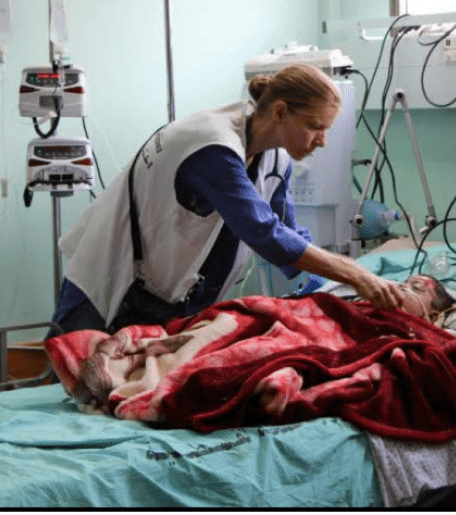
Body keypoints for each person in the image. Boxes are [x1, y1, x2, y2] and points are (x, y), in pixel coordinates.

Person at [48, 64, 405, 337]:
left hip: (165, 295)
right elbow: (264, 233)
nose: (322, 140)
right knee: (71, 387)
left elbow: (287, 232)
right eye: (316, 126)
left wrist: (333, 296)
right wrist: (357, 274)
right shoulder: (212, 146)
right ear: (280, 112)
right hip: (110, 276)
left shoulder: (274, 156)